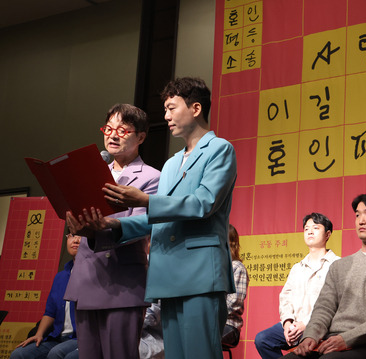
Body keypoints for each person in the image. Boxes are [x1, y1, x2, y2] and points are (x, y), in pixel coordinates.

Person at [67, 77, 237, 359]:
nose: (166, 116)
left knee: (200, 353)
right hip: (168, 273)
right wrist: (113, 225)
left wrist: (146, 200)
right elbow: (156, 218)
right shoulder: (171, 163)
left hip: (200, 272)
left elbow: (204, 203)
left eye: (171, 108)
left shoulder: (220, 149)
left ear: (195, 108)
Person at [64, 104, 160, 359]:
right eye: (108, 128)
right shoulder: (90, 173)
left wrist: (102, 228)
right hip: (87, 276)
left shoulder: (152, 177)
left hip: (122, 281)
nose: (113, 135)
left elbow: (143, 226)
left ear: (140, 136)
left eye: (122, 129)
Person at [283, 193, 366, 359]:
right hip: (330, 341)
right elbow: (324, 307)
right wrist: (310, 336)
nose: (361, 220)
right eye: (358, 215)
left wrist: (347, 339)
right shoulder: (339, 266)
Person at [255, 213, 340, 359]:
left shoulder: (337, 265)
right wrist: (287, 323)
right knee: (263, 339)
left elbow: (336, 303)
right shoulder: (297, 268)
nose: (310, 232)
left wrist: (306, 324)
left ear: (327, 234)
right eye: (306, 229)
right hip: (294, 325)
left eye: (315, 228)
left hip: (322, 327)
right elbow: (285, 297)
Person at [10, 233, 81, 359]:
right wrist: (39, 334)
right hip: (57, 337)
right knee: (18, 354)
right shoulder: (60, 277)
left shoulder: (96, 274)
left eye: (81, 235)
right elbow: (50, 312)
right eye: (71, 235)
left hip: (81, 338)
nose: (75, 240)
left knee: (56, 353)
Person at [222, 224, 249, 348]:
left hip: (228, 325)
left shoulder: (236, 267)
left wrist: (209, 313)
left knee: (197, 336)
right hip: (207, 323)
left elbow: (234, 302)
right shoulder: (210, 268)